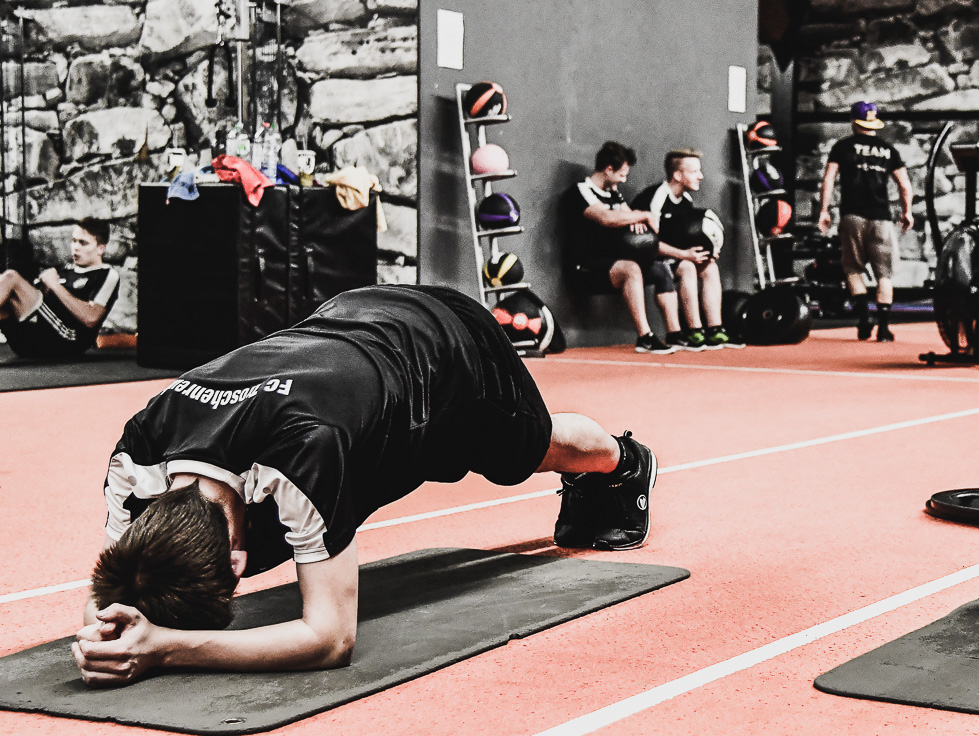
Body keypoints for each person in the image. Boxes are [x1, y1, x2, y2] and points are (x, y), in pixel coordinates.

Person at [72, 285, 658, 687]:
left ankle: (624, 461)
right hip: (349, 328)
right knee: (298, 515)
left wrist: (167, 647)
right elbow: (117, 579)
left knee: (529, 453)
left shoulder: (304, 452)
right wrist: (101, 632)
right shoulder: (139, 452)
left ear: (237, 559)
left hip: (445, 345)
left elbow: (329, 639)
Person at [560, 141, 681, 354]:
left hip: (610, 261)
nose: (624, 180)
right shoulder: (580, 192)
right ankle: (645, 337)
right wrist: (642, 214)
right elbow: (606, 218)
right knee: (631, 269)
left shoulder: (613, 192)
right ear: (608, 169)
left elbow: (625, 214)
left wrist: (633, 219)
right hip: (584, 266)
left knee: (660, 269)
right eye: (622, 175)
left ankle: (675, 334)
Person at [816, 101, 914, 343]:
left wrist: (824, 210)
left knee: (852, 269)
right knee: (885, 274)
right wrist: (907, 211)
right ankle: (883, 328)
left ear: (853, 121)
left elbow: (829, 179)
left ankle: (863, 318)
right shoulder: (888, 150)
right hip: (881, 217)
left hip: (852, 216)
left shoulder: (842, 147)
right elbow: (904, 184)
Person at [631, 149, 742, 351]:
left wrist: (708, 250)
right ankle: (693, 331)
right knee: (688, 267)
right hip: (647, 259)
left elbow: (687, 238)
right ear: (678, 175)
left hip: (674, 257)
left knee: (710, 268)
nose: (700, 176)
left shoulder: (686, 202)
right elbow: (646, 244)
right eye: (694, 171)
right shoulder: (655, 199)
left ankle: (715, 329)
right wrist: (684, 255)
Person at [0, 218, 119, 359]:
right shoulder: (65, 271)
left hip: (67, 340)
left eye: (83, 243)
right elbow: (41, 305)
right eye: (74, 241)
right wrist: (43, 288)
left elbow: (91, 318)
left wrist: (55, 286)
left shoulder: (106, 274)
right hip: (33, 341)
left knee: (11, 277)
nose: (76, 247)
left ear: (100, 248)